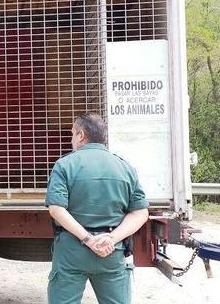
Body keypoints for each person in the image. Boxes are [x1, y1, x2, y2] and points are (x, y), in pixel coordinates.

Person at [45, 113, 149, 304]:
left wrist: (88, 239)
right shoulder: (125, 167)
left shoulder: (64, 165)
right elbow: (140, 212)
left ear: (81, 135)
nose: (71, 139)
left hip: (71, 251)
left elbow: (56, 209)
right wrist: (111, 238)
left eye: (72, 134)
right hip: (111, 250)